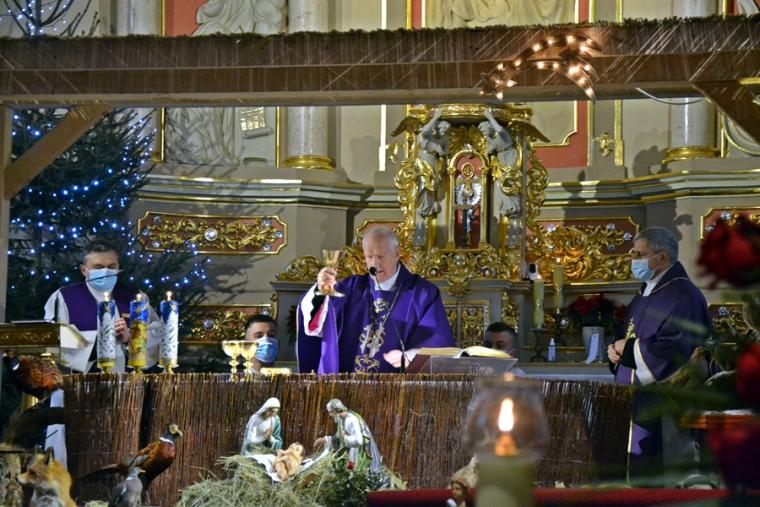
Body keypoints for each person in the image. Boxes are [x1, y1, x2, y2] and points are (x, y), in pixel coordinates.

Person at [42, 240, 161, 466]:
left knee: (118, 446)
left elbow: (157, 333)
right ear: (84, 269)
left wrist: (131, 337)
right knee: (72, 449)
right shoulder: (64, 297)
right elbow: (52, 338)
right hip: (75, 388)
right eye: (98, 267)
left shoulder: (135, 297)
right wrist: (99, 338)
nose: (105, 271)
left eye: (111, 266)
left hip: (123, 388)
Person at [607, 226, 711, 470]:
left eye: (640, 254)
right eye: (633, 254)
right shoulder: (648, 290)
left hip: (662, 403)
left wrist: (629, 350)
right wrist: (615, 352)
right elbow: (629, 334)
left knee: (655, 471)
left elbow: (680, 348)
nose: (634, 260)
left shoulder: (684, 295)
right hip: (634, 398)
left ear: (662, 256)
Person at [297, 227, 455, 373]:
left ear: (397, 254)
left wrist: (409, 356)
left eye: (380, 256)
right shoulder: (349, 289)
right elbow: (318, 322)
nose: (374, 263)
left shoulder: (423, 294)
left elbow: (438, 341)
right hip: (349, 384)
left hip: (398, 387)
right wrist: (321, 288)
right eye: (369, 257)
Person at [314, 399, 383, 474]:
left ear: (337, 410)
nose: (330, 415)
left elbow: (358, 441)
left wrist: (346, 438)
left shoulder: (351, 420)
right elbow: (338, 438)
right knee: (350, 471)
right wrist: (325, 440)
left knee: (357, 473)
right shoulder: (342, 420)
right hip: (352, 453)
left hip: (359, 454)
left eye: (331, 412)